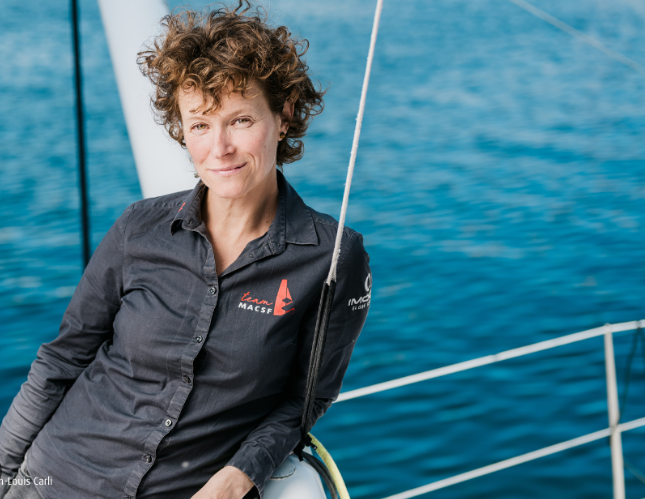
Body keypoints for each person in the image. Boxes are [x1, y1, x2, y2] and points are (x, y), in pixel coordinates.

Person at [0, 2, 371, 498]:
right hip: (53, 476)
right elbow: (61, 361)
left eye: (240, 120)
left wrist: (240, 474)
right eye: (199, 125)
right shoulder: (138, 227)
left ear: (283, 116)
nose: (219, 148)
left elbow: (305, 400)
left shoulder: (332, 257)